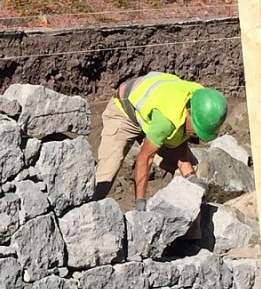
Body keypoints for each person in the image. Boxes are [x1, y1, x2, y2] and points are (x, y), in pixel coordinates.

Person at [94, 72, 228, 210]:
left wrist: (190, 177)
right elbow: (145, 158)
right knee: (107, 171)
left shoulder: (201, 100)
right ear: (189, 112)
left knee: (193, 172)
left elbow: (179, 140)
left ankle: (183, 218)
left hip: (155, 111)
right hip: (124, 110)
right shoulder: (167, 118)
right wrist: (140, 202)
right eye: (196, 129)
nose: (195, 135)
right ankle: (86, 213)